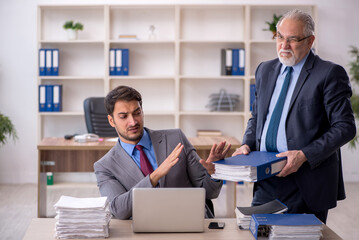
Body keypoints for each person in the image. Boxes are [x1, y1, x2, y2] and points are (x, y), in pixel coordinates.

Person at [232, 9, 356, 223]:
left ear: (310, 41)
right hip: (266, 176)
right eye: (280, 37)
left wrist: (304, 155)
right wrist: (247, 145)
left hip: (306, 179)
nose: (284, 45)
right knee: (259, 233)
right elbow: (257, 117)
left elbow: (345, 127)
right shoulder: (265, 70)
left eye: (293, 39)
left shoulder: (328, 74)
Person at [94, 85, 231, 220]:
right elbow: (119, 210)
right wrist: (155, 176)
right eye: (124, 116)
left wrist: (213, 173)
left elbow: (208, 192)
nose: (133, 121)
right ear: (111, 121)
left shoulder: (175, 139)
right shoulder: (105, 166)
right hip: (145, 227)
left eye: (137, 113)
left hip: (188, 221)